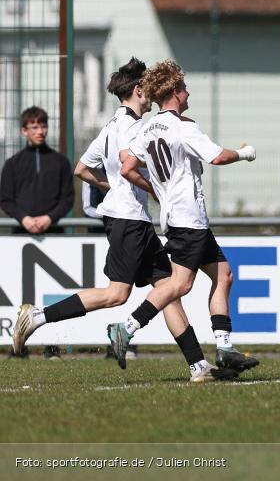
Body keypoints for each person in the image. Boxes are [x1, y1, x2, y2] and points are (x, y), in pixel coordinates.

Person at [12, 58, 237, 382]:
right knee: (117, 294)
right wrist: (147, 188)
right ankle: (37, 316)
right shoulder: (133, 127)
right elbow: (125, 163)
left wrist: (114, 185)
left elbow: (82, 169)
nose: (151, 95)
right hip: (128, 220)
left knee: (168, 288)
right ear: (138, 90)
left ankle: (198, 366)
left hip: (134, 219)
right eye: (147, 90)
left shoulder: (111, 126)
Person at [109, 59, 258, 374]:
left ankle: (225, 348)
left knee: (223, 275)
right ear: (175, 92)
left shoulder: (147, 127)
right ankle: (126, 327)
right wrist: (245, 153)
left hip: (182, 218)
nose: (188, 92)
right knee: (179, 284)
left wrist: (156, 190)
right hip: (188, 218)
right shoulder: (184, 128)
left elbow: (126, 168)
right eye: (184, 88)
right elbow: (217, 156)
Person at [1, 106, 74, 234]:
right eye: (34, 127)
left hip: (55, 232)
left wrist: (49, 218)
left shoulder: (61, 162)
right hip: (20, 232)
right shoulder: (12, 164)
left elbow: (67, 199)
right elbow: (6, 200)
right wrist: (23, 219)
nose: (40, 132)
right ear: (24, 131)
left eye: (44, 126)